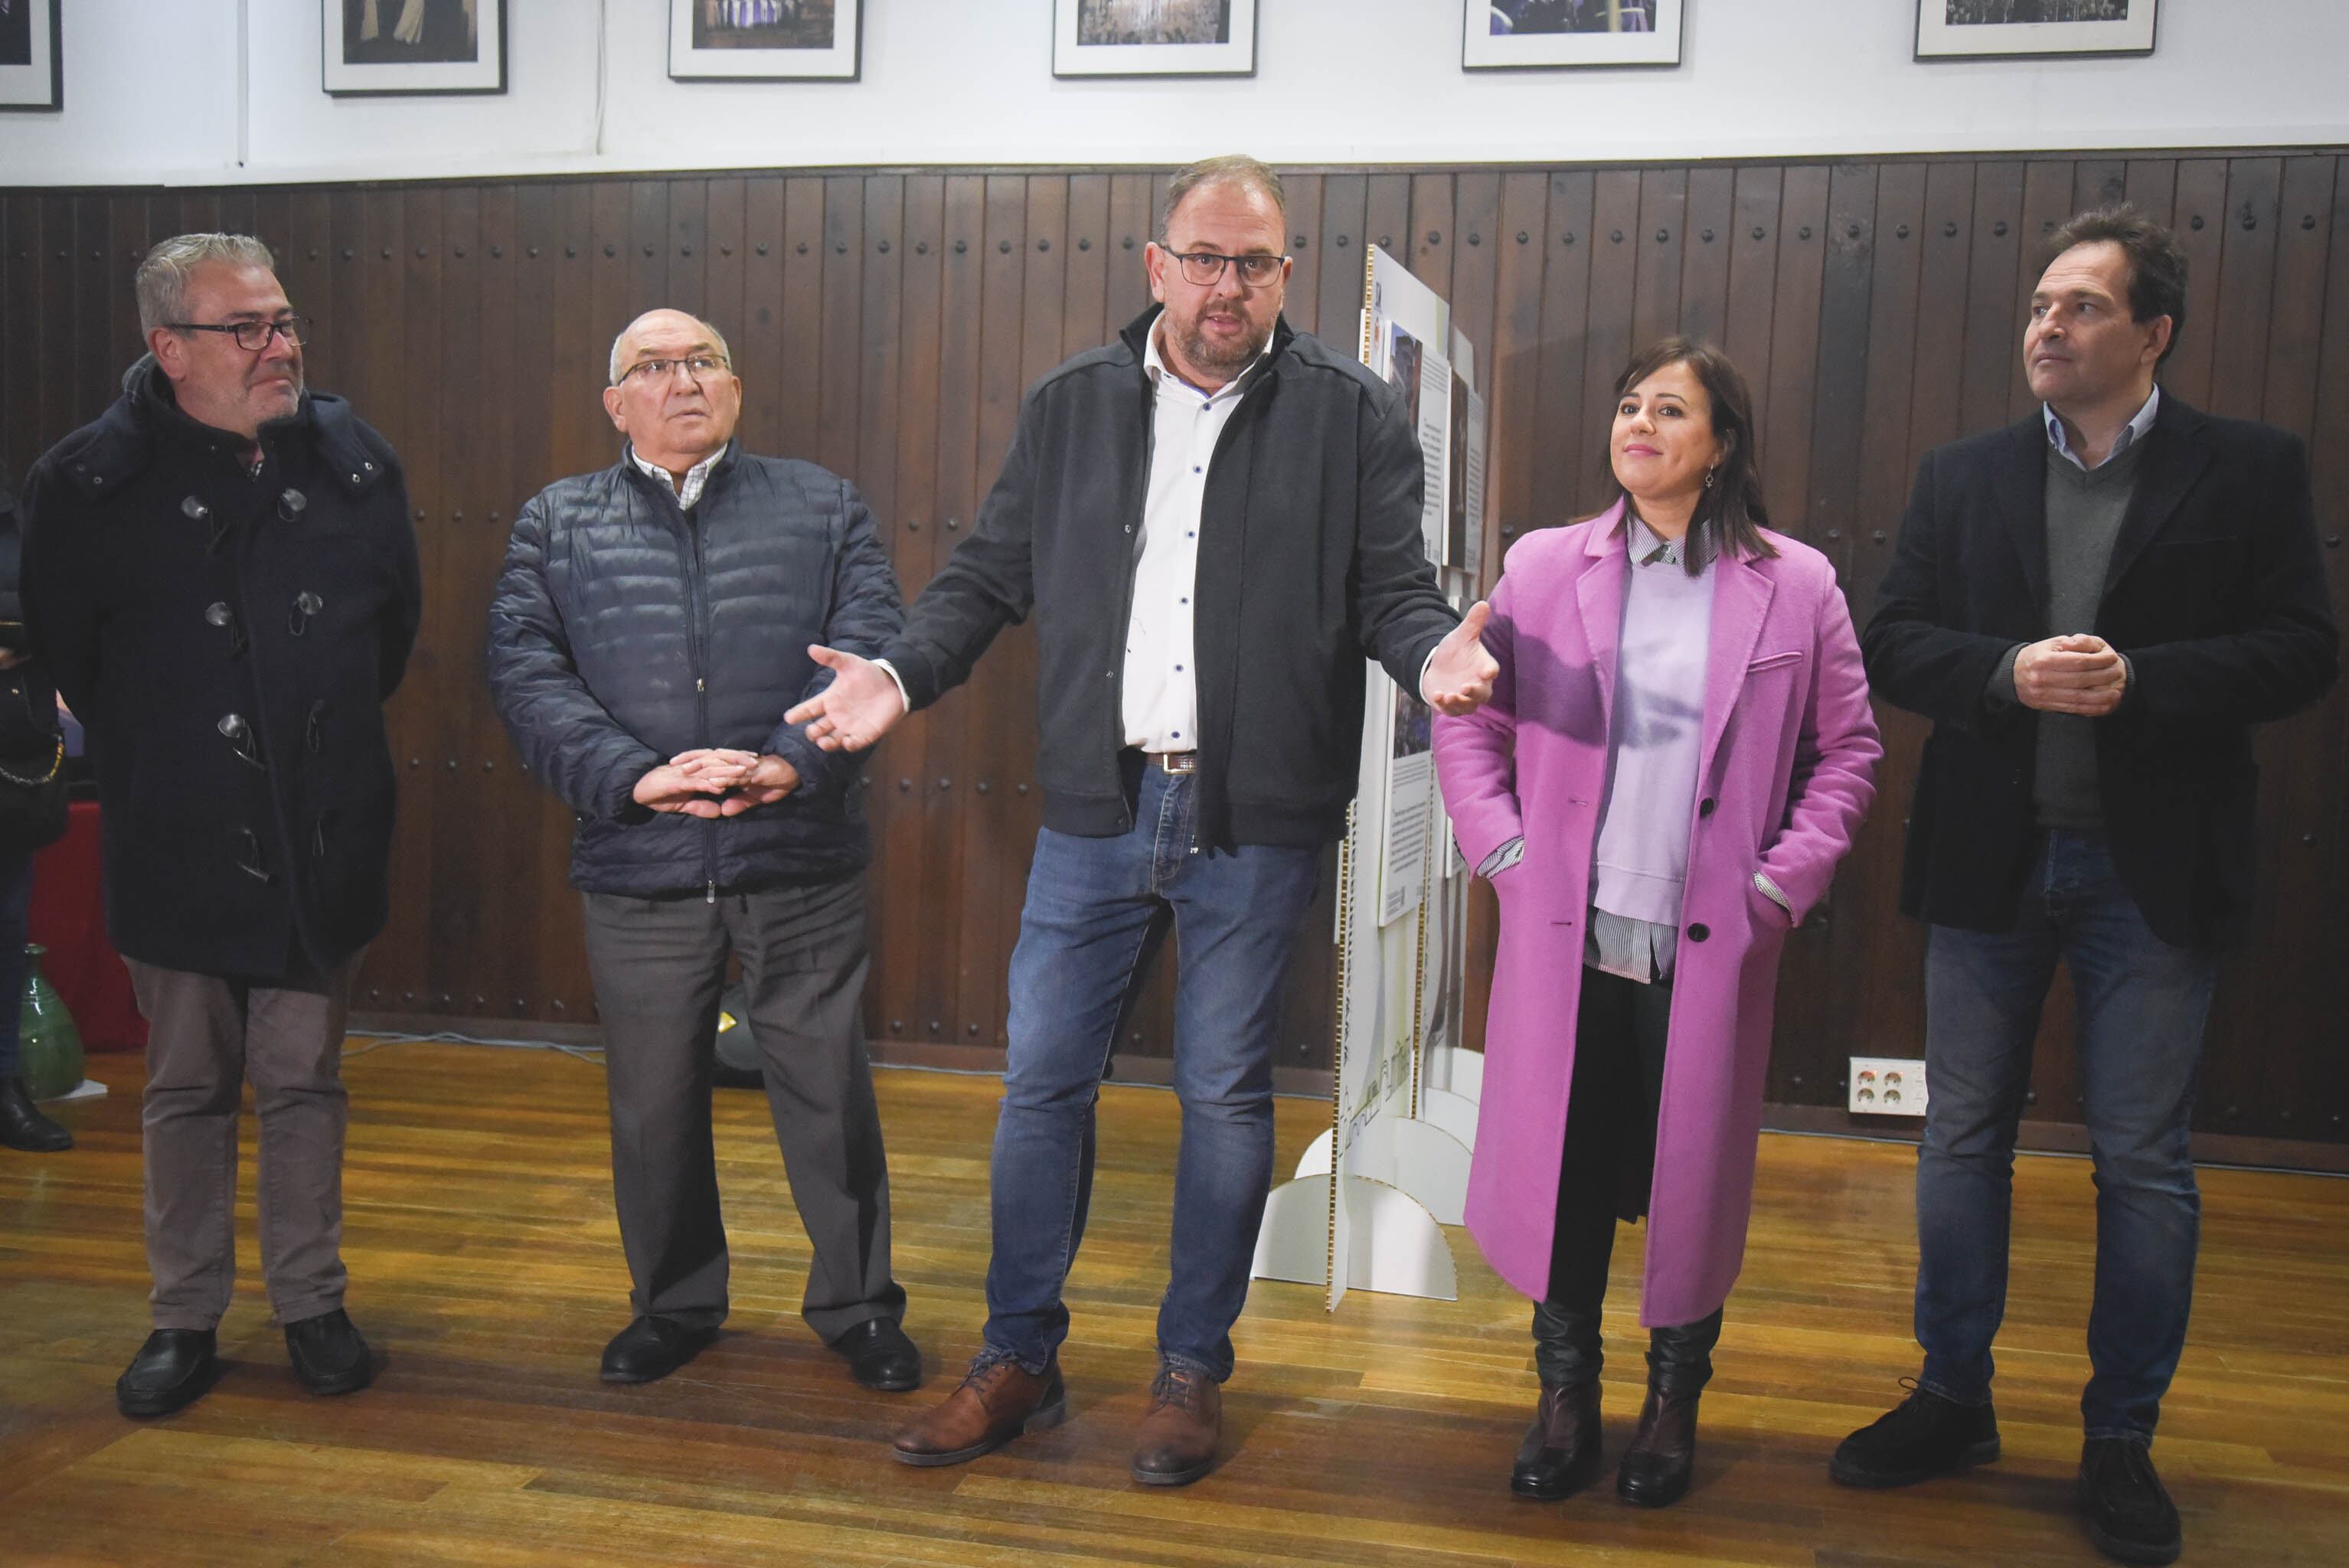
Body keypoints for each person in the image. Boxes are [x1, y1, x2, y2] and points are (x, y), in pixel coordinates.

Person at [784, 153, 1497, 1486]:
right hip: (1097, 810)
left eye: (1257, 261)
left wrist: (1430, 655)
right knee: (1040, 1086)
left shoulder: (1351, 415)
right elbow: (989, 575)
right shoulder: (1072, 404)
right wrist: (897, 671)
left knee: (1223, 1093)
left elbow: (1393, 590)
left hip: (1256, 819)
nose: (1229, 285)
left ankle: (1188, 1370)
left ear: (1287, 272)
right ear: (1155, 264)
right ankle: (1016, 1356)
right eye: (1206, 257)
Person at [1840, 207, 2338, 1566]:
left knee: (2141, 1162)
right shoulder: (1962, 472)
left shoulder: (2246, 468)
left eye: (2079, 307)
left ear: (2150, 333)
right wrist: (2004, 673)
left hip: (2149, 870)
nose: (2044, 327)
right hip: (1990, 857)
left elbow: (2302, 647)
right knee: (1957, 1144)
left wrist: (2147, 681)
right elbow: (1893, 639)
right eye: (2038, 303)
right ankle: (1951, 1397)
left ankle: (2119, 1434)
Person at [1433, 338, 1879, 1509]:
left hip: (1709, 944)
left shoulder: (1799, 583)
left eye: (1670, 409)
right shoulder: (1540, 566)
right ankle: (1563, 1398)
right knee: (1566, 1170)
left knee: (1691, 1178)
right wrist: (1508, 856)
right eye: (1629, 404)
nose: (1640, 423)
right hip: (1564, 935)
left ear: (1720, 444)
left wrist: (1779, 888)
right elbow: (1470, 725)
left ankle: (1674, 1405)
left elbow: (1849, 755)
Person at [19, 233, 422, 1416]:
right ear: (167, 346)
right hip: (179, 831)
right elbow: (73, 656)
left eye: (285, 320)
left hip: (323, 826)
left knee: (303, 1078)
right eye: (244, 328)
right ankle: (182, 1317)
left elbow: (386, 637)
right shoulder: (85, 482)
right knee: (186, 1084)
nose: (278, 346)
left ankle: (311, 1303)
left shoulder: (355, 461)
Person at [486, 308, 919, 1395]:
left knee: (828, 1091)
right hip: (643, 855)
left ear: (734, 383)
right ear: (615, 402)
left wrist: (790, 760)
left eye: (705, 361)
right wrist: (636, 776)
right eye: (654, 367)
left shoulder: (822, 506)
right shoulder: (558, 521)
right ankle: (674, 1304)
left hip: (797, 851)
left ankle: (860, 1308)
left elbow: (868, 647)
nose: (684, 381)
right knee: (652, 1102)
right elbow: (528, 674)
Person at [0, 462, 73, 1155]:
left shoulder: (20, 520)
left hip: (8, 760)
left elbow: (57, 617)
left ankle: (6, 1088)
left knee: (4, 928)